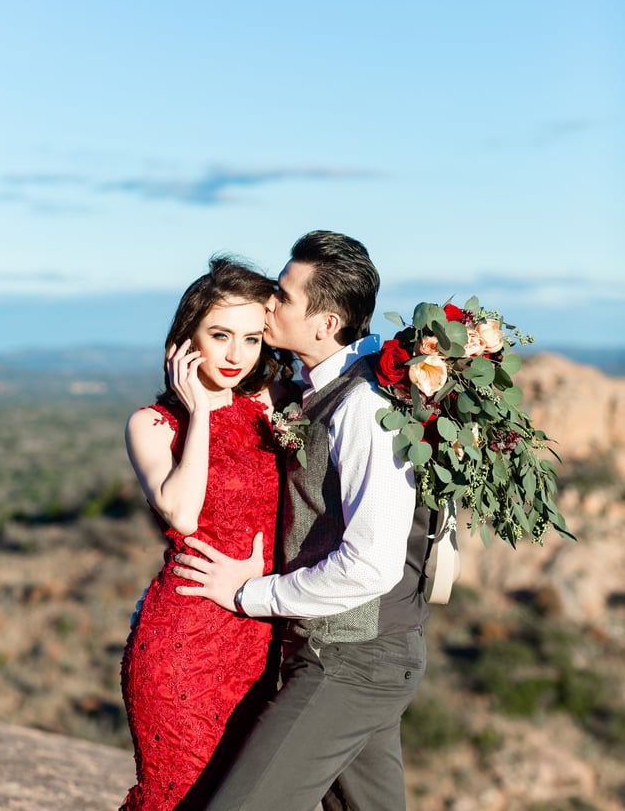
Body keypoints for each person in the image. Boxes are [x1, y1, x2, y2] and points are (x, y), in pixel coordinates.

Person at [173, 230, 433, 811]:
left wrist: (249, 595)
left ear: (326, 324)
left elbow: (372, 564)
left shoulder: (365, 406)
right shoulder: (323, 390)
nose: (269, 302)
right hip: (357, 655)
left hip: (352, 659)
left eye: (284, 296)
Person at [119, 256, 296, 811]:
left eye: (251, 338)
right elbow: (183, 514)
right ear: (187, 339)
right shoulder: (152, 424)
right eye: (220, 335)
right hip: (182, 642)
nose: (236, 354)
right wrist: (199, 413)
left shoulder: (269, 405)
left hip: (256, 641)